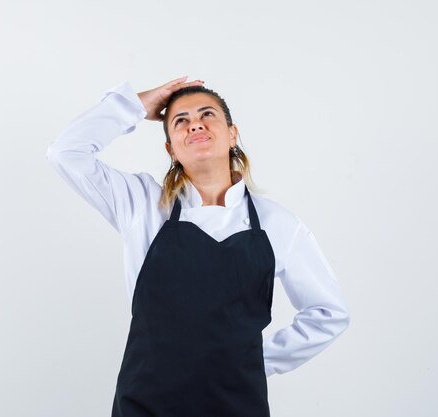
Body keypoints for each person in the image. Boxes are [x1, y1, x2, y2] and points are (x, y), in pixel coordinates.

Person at [45, 76, 351, 416]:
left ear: (233, 134)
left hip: (236, 404)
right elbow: (66, 153)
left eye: (207, 115)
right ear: (171, 149)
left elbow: (329, 314)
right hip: (145, 404)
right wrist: (133, 105)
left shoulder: (276, 223)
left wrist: (254, 360)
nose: (195, 125)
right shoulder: (142, 204)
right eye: (181, 121)